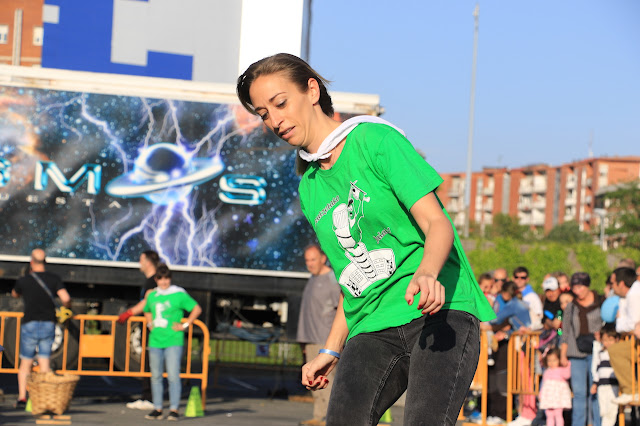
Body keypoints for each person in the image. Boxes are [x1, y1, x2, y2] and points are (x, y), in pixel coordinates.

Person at [237, 53, 495, 425]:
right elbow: (350, 276)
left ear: (311, 90)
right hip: (371, 325)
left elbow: (437, 224)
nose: (274, 121)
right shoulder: (309, 187)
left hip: (439, 311)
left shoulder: (375, 140)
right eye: (263, 113)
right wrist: (330, 348)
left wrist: (427, 274)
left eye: (280, 103)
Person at [11, 249, 71, 408]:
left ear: (31, 262)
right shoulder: (54, 279)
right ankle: (44, 399)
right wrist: (67, 308)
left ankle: (22, 397)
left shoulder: (24, 280)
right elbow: (66, 298)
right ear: (45, 262)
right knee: (44, 362)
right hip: (48, 324)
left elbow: (14, 294)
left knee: (25, 363)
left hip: (29, 323)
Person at [143, 264, 202, 421]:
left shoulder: (178, 294)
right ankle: (157, 408)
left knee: (173, 375)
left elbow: (196, 308)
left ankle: (174, 409)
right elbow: (147, 309)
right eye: (160, 278)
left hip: (173, 340)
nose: (164, 282)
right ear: (156, 279)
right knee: (155, 375)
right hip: (155, 340)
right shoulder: (152, 295)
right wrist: (150, 323)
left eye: (166, 278)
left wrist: (185, 324)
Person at [297, 244, 341, 426]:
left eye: (313, 259)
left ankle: (329, 419)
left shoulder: (331, 279)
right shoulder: (312, 279)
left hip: (324, 339)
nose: (310, 264)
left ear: (323, 258)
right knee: (313, 381)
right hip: (310, 337)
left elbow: (341, 310)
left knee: (326, 381)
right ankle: (319, 416)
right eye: (307, 260)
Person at [559, 272, 603, 426]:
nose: (577, 291)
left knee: (596, 391)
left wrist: (602, 335)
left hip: (596, 352)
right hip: (575, 352)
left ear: (587, 286)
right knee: (578, 393)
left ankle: (597, 423)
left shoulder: (601, 301)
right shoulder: (571, 307)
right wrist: (563, 354)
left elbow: (608, 324)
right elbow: (565, 332)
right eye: (574, 288)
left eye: (580, 287)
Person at [118, 250, 160, 411]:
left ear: (149, 262)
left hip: (153, 326)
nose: (139, 263)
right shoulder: (150, 281)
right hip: (150, 326)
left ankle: (149, 397)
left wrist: (129, 313)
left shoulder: (153, 281)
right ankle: (147, 396)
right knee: (148, 361)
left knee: (151, 362)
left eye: (141, 259)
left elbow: (147, 302)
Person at [607, 267, 640, 405]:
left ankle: (632, 391)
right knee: (616, 350)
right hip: (636, 340)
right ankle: (631, 390)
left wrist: (620, 322)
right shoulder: (626, 296)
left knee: (616, 351)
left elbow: (633, 324)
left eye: (613, 284)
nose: (611, 287)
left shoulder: (634, 294)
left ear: (621, 284)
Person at [591, 324, 620, 426]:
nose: (608, 343)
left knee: (611, 411)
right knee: (603, 411)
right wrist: (595, 383)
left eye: (610, 340)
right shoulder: (601, 353)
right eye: (605, 340)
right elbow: (597, 369)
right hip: (602, 386)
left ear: (616, 340)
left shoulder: (617, 353)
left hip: (613, 386)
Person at [538, 348, 571, 426]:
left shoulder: (561, 370)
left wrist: (567, 364)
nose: (552, 363)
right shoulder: (547, 372)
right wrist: (541, 394)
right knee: (549, 415)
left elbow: (567, 375)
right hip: (549, 398)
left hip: (558, 397)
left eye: (554, 360)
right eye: (549, 360)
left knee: (558, 414)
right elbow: (544, 385)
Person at [512, 266, 543, 331]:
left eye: (523, 278)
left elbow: (539, 316)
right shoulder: (511, 295)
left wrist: (530, 328)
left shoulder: (533, 296)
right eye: (516, 277)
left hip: (530, 332)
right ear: (513, 278)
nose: (519, 280)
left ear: (527, 279)